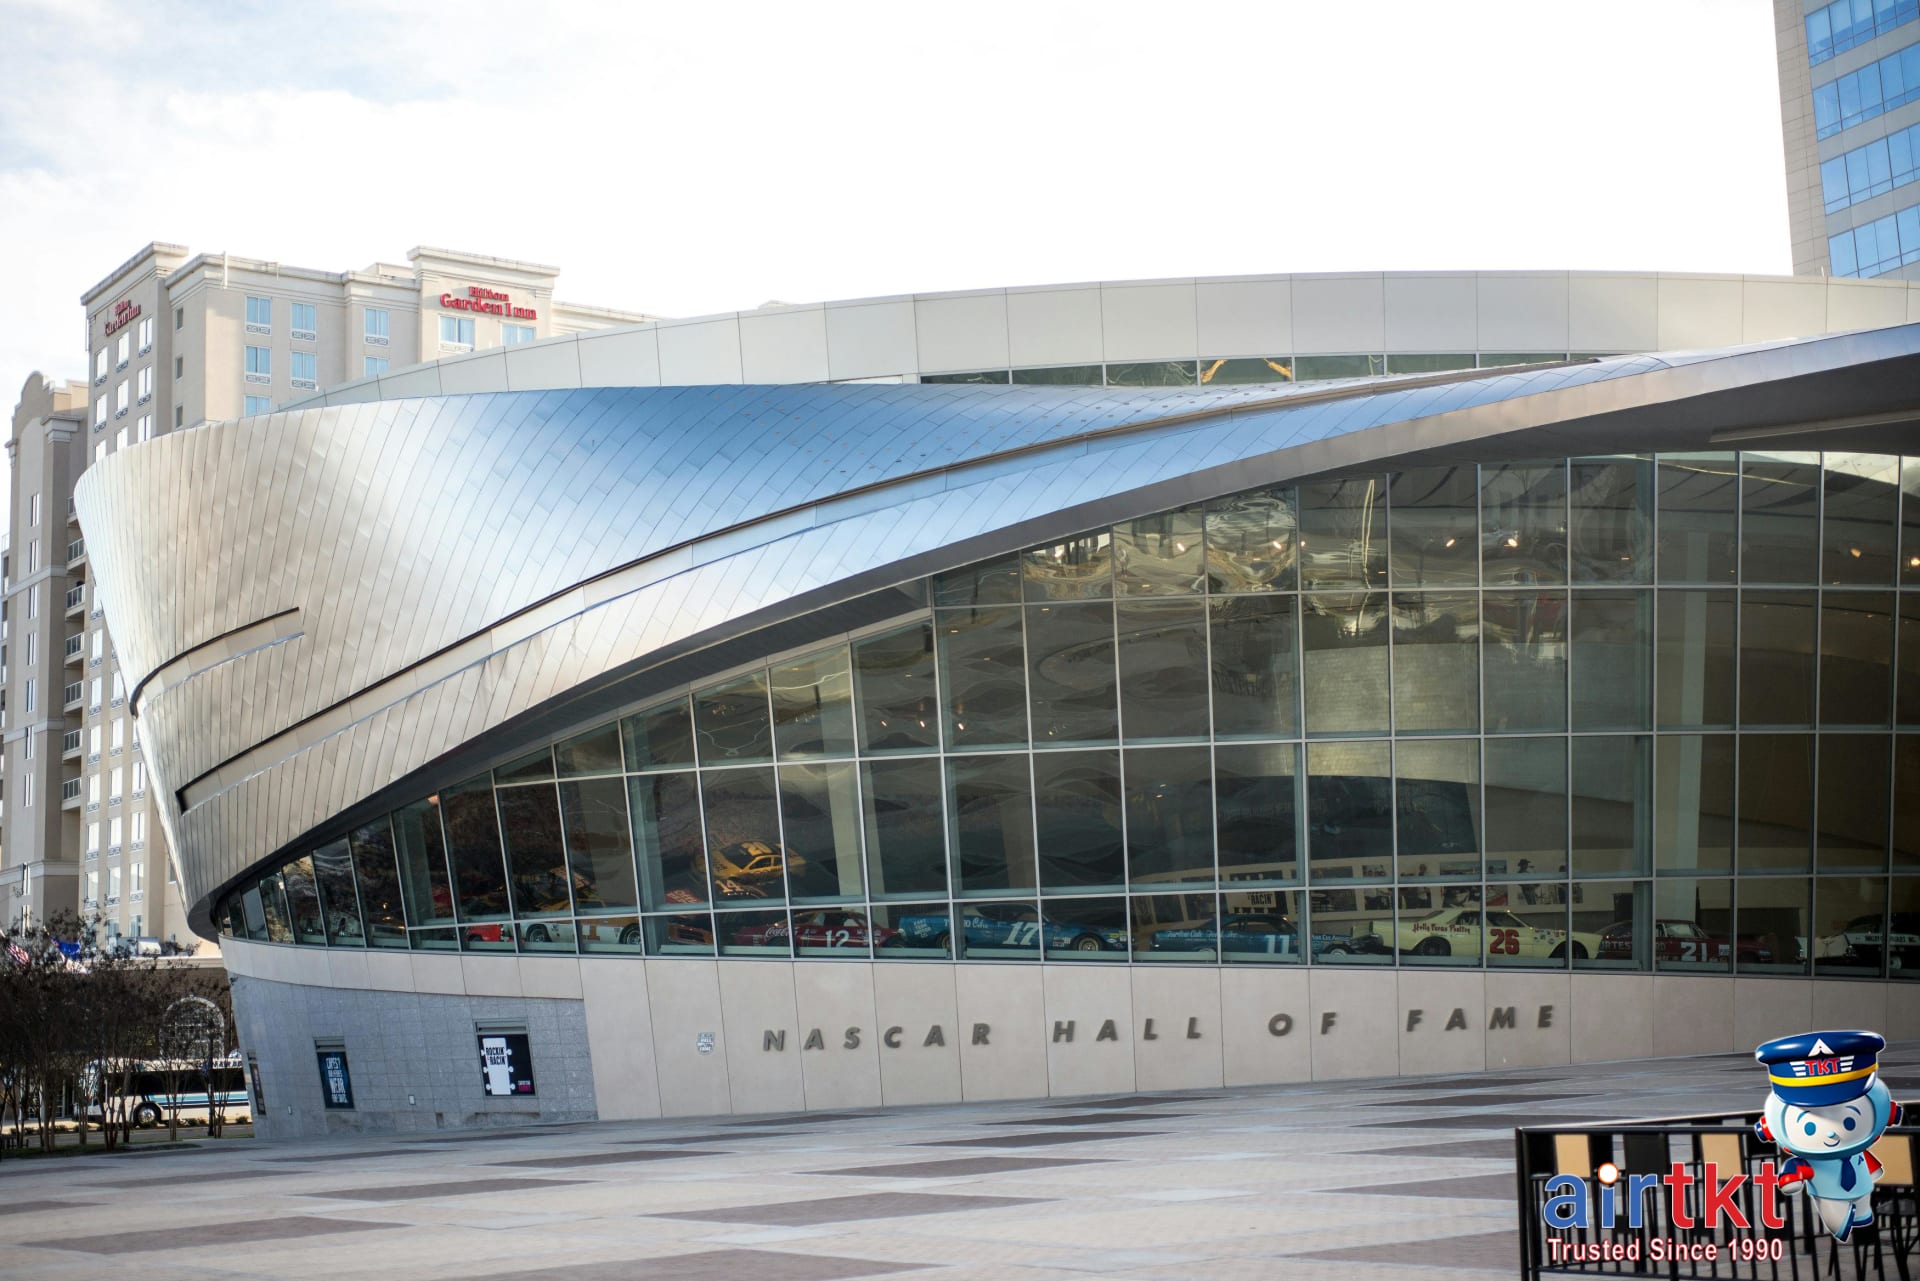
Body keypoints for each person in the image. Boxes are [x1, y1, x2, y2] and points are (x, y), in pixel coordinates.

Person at [1753, 1031, 1898, 1242]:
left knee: (1862, 1215)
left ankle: (1861, 1219)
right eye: (1811, 1125)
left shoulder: (1862, 1142)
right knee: (1838, 1219)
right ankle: (1843, 1226)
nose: (1832, 1131)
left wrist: (1874, 1171)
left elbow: (1869, 1164)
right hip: (1828, 1194)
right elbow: (1794, 1173)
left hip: (1862, 1189)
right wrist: (1792, 1177)